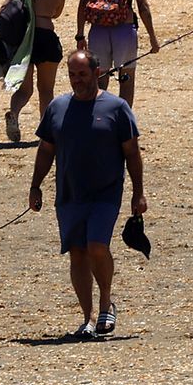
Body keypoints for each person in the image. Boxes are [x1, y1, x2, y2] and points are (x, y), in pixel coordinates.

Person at [28, 50, 146, 340]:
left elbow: (132, 152)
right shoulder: (57, 107)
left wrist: (138, 193)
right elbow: (46, 150)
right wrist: (35, 185)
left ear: (97, 72)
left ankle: (106, 301)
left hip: (106, 192)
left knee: (96, 246)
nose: (77, 80)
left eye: (82, 74)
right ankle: (88, 317)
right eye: (72, 74)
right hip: (69, 193)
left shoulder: (116, 108)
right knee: (77, 253)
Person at [76, 0, 160, 108]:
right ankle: (123, 124)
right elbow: (143, 7)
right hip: (124, 30)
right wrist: (153, 37)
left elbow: (83, 3)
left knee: (99, 80)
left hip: (98, 30)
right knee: (126, 79)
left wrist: (80, 35)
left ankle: (98, 119)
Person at [1, 0, 63, 142]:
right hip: (46, 38)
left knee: (24, 89)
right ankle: (46, 129)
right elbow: (56, 13)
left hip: (24, 41)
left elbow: (5, 6)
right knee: (46, 90)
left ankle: (14, 113)